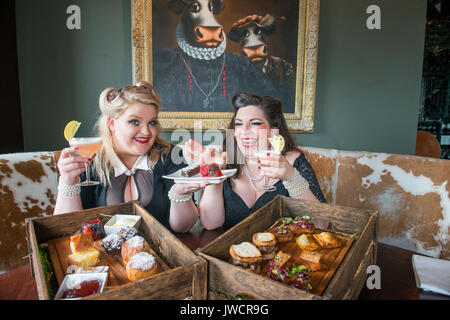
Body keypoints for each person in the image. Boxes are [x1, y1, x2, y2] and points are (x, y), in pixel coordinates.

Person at [54, 82, 203, 233]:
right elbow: (66, 230)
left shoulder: (170, 155)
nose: (146, 132)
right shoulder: (89, 161)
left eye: (152, 122)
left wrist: (179, 195)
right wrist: (68, 182)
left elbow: (183, 227)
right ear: (112, 123)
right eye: (134, 122)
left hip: (161, 252)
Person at [184, 92, 326, 230]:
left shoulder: (294, 161)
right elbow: (211, 224)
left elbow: (321, 224)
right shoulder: (225, 159)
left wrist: (291, 177)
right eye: (239, 124)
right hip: (231, 251)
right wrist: (214, 175)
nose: (244, 130)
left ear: (274, 129)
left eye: (255, 123)